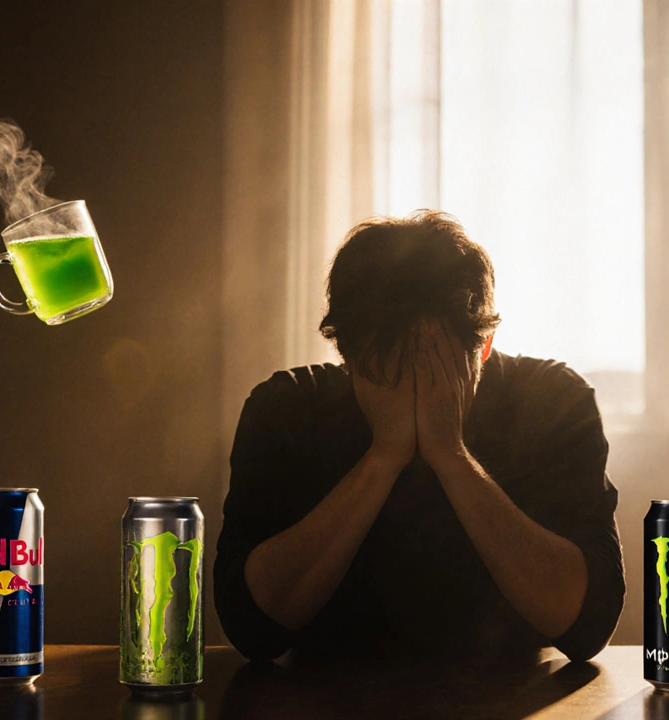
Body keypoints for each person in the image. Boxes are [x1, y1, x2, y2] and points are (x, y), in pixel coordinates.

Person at [215, 211, 624, 665]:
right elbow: (250, 625)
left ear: (483, 347)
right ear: (347, 354)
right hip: (321, 691)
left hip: (510, 690)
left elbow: (586, 625)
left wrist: (451, 456)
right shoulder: (286, 408)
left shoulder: (552, 401)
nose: (416, 389)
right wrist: (383, 458)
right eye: (390, 368)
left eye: (437, 367)